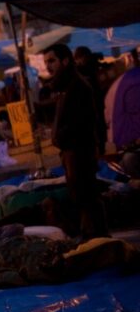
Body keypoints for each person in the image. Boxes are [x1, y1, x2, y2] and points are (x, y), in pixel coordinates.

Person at [45, 43, 109, 239]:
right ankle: (93, 237)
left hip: (79, 150)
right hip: (71, 150)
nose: (48, 66)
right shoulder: (65, 86)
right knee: (80, 195)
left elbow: (82, 121)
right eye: (46, 62)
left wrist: (60, 136)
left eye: (52, 61)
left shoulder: (78, 86)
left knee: (86, 195)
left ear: (65, 61)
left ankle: (98, 239)